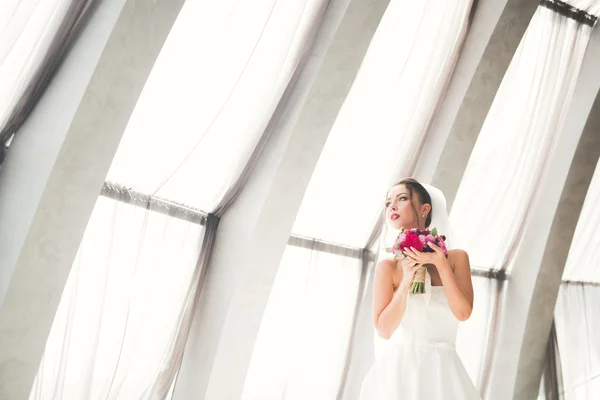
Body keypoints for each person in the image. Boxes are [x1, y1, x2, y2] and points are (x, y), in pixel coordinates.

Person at [359, 178, 480, 399]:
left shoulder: (456, 259)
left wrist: (441, 265)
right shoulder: (388, 267)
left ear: (425, 209)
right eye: (388, 203)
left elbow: (463, 313)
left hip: (445, 376)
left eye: (402, 198)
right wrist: (406, 282)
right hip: (399, 375)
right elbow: (384, 331)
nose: (392, 207)